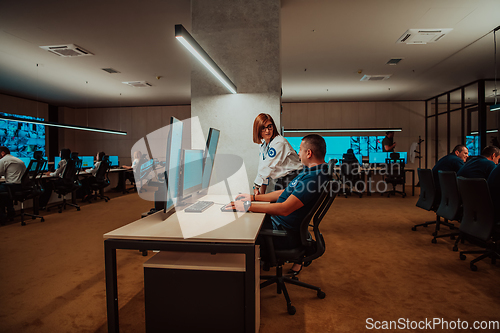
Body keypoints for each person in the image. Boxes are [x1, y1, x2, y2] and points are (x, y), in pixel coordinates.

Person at [227, 134, 330, 275]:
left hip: (283, 234)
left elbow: (284, 209)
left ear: (309, 153)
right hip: (280, 226)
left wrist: (247, 206)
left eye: (300, 149)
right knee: (244, 218)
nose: (298, 153)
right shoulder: (311, 171)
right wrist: (252, 198)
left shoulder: (314, 178)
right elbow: (284, 192)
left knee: (239, 227)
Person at [252, 113, 302, 195]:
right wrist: (261, 193)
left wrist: (256, 186)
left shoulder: (279, 142)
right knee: (273, 202)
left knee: (281, 205)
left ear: (273, 127)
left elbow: (268, 166)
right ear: (258, 130)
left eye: (269, 126)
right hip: (281, 180)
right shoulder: (263, 145)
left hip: (293, 177)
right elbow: (262, 167)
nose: (267, 131)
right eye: (263, 128)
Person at [0, 146, 26, 223]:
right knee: (5, 193)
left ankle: (2, 216)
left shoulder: (3, 160)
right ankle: (10, 212)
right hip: (20, 186)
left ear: (3, 153)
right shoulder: (18, 160)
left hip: (12, 186)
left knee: (3, 191)